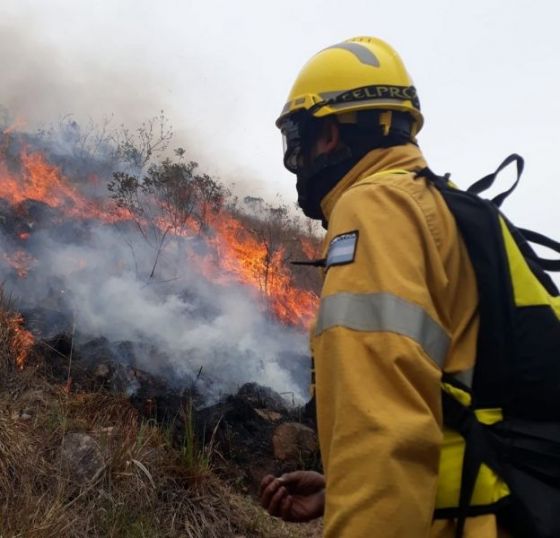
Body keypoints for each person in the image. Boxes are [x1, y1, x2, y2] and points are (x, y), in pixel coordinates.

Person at [260, 36, 511, 537]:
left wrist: (368, 495)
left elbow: (384, 434)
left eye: (299, 140)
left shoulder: (373, 209)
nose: (297, 160)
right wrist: (343, 490)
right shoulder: (447, 209)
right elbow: (458, 403)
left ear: (328, 134)